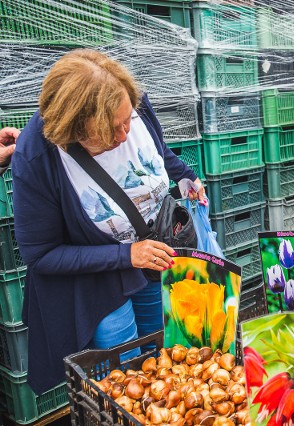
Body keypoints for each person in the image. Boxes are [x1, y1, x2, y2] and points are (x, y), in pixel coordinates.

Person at [12, 49, 206, 394]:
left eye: (127, 120)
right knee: (125, 374)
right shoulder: (36, 155)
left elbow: (158, 153)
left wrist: (186, 177)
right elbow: (40, 255)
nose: (123, 135)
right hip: (99, 285)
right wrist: (127, 255)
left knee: (164, 352)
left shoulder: (131, 102)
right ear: (72, 131)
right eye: (109, 131)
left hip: (152, 259)